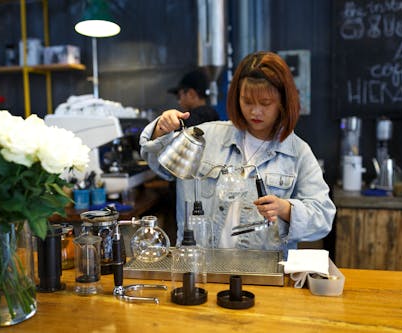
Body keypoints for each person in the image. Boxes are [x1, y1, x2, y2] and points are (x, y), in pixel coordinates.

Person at [140, 51, 335, 258]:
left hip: (263, 274)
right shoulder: (206, 136)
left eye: (265, 103)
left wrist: (286, 209)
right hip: (200, 268)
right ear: (236, 97)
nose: (255, 111)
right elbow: (160, 164)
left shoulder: (297, 153)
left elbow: (323, 217)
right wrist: (161, 129)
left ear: (283, 102)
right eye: (247, 101)